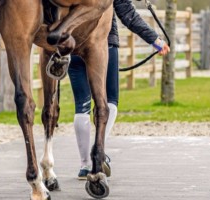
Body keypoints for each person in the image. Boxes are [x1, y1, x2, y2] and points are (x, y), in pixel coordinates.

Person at [68, 0, 170, 180]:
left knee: (81, 105)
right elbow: (127, 14)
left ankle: (84, 165)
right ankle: (97, 152)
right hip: (103, 44)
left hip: (72, 43)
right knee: (110, 101)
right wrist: (154, 40)